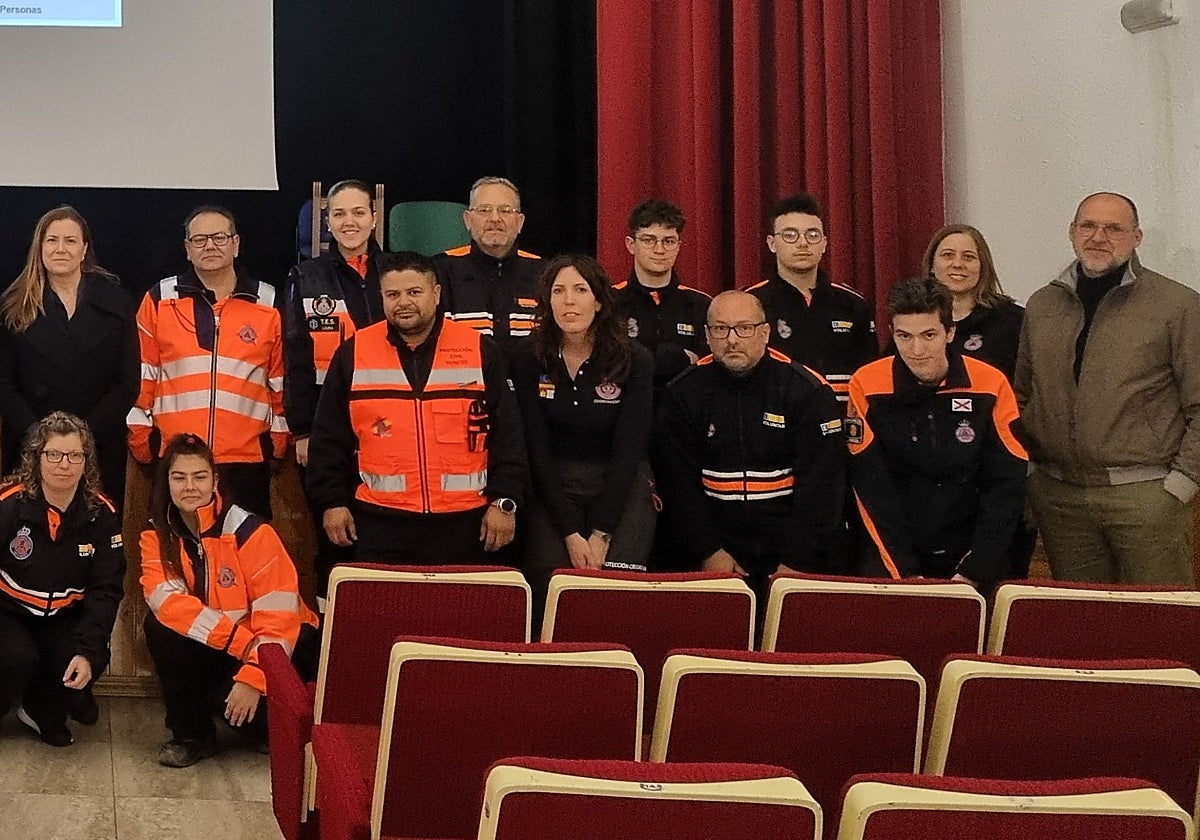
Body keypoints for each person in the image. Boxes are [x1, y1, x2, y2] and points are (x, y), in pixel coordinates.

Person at [1015, 191, 1200, 585]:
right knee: (1085, 625)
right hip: (1060, 499)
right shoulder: (1042, 304)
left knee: (1159, 622)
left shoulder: (1178, 305)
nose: (1099, 236)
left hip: (1145, 496)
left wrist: (1181, 485)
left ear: (1137, 237)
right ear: (1072, 232)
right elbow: (1023, 395)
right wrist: (1034, 474)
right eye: (1088, 225)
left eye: (1114, 228)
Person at [305, 250, 527, 565]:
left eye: (414, 292)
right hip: (380, 523)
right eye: (393, 294)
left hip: (468, 522)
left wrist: (505, 501)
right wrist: (331, 502)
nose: (403, 302)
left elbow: (509, 437)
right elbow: (328, 437)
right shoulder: (354, 353)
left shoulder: (478, 349)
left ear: (436, 294)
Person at [655, 290, 847, 603]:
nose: (732, 340)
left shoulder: (806, 390)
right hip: (712, 556)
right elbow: (677, 484)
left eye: (744, 328)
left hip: (791, 554)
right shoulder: (683, 393)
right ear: (707, 334)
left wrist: (795, 561)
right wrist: (708, 551)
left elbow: (823, 486)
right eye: (720, 329)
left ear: (765, 332)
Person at [139, 433, 319, 768]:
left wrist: (254, 674)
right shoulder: (156, 536)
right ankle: (192, 737)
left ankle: (265, 726)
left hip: (286, 648)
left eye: (199, 476)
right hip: (236, 644)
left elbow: (279, 617)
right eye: (179, 477)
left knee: (264, 725)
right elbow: (167, 604)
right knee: (159, 627)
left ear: (215, 481)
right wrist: (241, 645)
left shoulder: (251, 532)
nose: (189, 486)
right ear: (167, 482)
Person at [848, 277, 1027, 591]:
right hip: (895, 556)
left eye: (929, 335)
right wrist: (904, 572)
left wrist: (975, 568)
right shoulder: (866, 383)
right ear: (893, 333)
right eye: (905, 336)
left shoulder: (991, 383)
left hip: (974, 555)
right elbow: (871, 490)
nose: (917, 349)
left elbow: (1006, 485)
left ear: (950, 332)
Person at [511, 255, 655, 611]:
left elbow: (629, 450)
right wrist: (571, 532)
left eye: (580, 290)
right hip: (553, 487)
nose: (569, 300)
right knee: (553, 593)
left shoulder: (634, 360)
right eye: (558, 291)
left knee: (612, 599)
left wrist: (601, 532)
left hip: (620, 486)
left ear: (600, 301)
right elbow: (536, 447)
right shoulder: (527, 357)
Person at [127, 205, 288, 519]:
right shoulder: (160, 299)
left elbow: (279, 378)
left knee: (245, 555)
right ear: (187, 249)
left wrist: (278, 441)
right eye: (199, 240)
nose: (210, 246)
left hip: (246, 459)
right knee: (173, 553)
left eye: (219, 237)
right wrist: (140, 436)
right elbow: (143, 372)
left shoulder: (267, 302)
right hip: (177, 457)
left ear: (236, 243)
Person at [283, 180, 387, 603]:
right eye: (339, 214)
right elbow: (295, 359)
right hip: (329, 428)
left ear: (374, 218)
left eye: (358, 213)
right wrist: (303, 431)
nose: (350, 222)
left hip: (388, 423)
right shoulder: (305, 277)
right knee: (334, 537)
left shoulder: (399, 273)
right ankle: (333, 636)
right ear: (327, 222)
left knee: (380, 535)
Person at [0, 205, 139, 505]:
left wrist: (79, 439)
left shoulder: (116, 304)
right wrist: (43, 439)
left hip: (97, 446)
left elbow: (126, 383)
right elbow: (4, 385)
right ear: (39, 247)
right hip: (30, 445)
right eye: (52, 240)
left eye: (70, 240)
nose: (60, 249)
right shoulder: (12, 307)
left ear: (84, 248)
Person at [0, 412, 124, 747]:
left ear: (87, 462)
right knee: (15, 659)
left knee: (86, 662)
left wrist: (86, 651)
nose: (63, 465)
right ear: (37, 457)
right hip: (9, 614)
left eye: (74, 456)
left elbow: (106, 589)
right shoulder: (9, 505)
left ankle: (39, 708)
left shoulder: (102, 515)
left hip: (63, 618)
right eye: (53, 454)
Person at [746, 193, 877, 404]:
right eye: (790, 235)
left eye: (812, 235)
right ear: (772, 243)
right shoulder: (750, 303)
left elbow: (869, 371)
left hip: (840, 420)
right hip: (774, 420)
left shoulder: (853, 304)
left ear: (824, 243)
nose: (803, 243)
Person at [611, 199, 711, 401]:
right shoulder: (609, 301)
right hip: (625, 414)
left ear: (679, 246)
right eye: (649, 240)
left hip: (685, 415)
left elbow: (709, 367)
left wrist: (638, 356)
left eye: (668, 241)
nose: (659, 249)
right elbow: (609, 363)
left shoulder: (702, 305)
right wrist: (679, 358)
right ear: (631, 245)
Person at [434, 176, 543, 351]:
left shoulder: (545, 273)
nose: (495, 218)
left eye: (505, 211)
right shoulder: (440, 271)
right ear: (467, 220)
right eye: (484, 210)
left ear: (520, 222)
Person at [918, 224, 1024, 381]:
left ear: (982, 266)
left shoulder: (1014, 321)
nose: (958, 264)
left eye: (968, 257)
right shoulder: (912, 318)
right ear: (932, 265)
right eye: (948, 255)